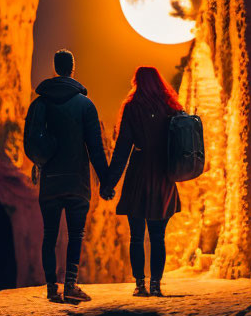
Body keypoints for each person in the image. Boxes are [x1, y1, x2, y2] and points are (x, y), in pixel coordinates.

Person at [26, 49, 110, 303]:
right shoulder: (86, 105)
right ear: (72, 68)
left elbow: (29, 140)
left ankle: (52, 287)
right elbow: (95, 147)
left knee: (49, 234)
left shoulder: (40, 104)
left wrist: (41, 161)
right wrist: (105, 180)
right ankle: (71, 285)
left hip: (50, 179)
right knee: (76, 234)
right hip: (77, 182)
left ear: (55, 68)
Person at [102, 66, 182, 297]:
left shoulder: (132, 108)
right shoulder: (172, 107)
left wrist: (110, 183)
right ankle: (156, 284)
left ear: (136, 82)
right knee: (158, 236)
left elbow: (122, 150)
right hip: (164, 175)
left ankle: (140, 285)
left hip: (138, 174)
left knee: (136, 235)